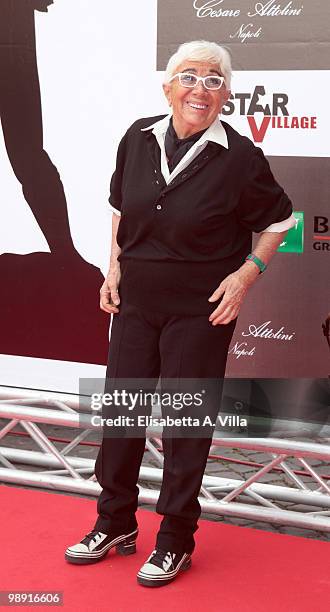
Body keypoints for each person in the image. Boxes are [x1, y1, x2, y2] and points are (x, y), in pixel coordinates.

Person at [65, 40, 295, 586]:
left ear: (227, 96)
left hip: (201, 309)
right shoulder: (137, 137)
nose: (201, 89)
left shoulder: (240, 157)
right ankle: (114, 522)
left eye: (214, 80)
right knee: (122, 414)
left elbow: (280, 223)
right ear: (167, 87)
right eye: (189, 76)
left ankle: (175, 540)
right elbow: (122, 211)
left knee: (185, 424)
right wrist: (113, 269)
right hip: (136, 301)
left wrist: (245, 277)